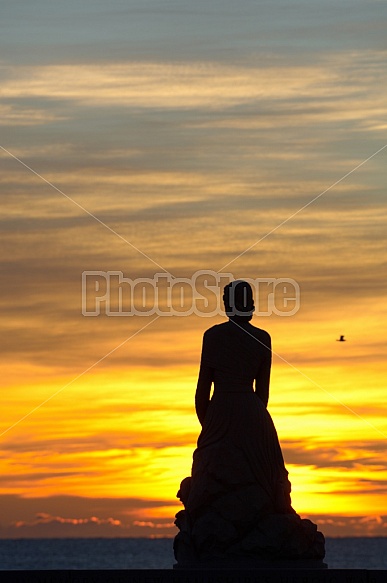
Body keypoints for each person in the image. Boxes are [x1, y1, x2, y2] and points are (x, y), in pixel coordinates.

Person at [173, 280, 325, 567]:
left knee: (209, 468)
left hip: (221, 407)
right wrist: (252, 420)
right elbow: (263, 393)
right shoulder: (263, 338)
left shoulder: (213, 336)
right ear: (251, 304)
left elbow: (202, 389)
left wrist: (211, 426)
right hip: (253, 411)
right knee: (267, 476)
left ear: (227, 304)